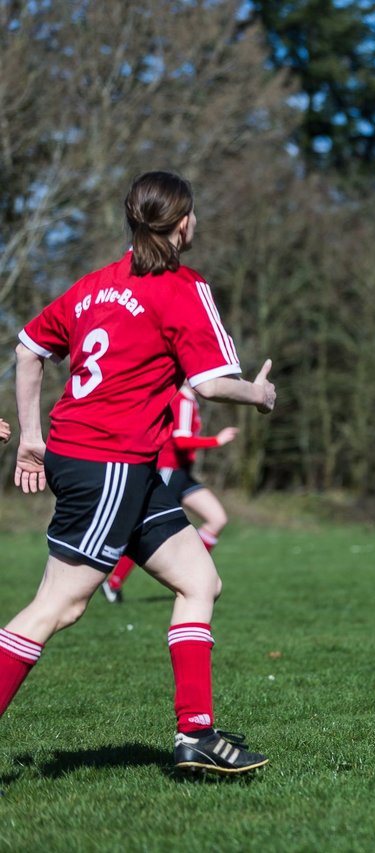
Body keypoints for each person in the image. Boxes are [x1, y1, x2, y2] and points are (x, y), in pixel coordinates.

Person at [1, 171, 276, 776]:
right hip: (108, 463)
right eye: (194, 216)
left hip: (122, 462)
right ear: (183, 223)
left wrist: (31, 439)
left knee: (199, 582)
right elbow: (207, 384)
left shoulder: (94, 287)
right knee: (57, 607)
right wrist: (255, 394)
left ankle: (194, 736)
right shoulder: (183, 287)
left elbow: (26, 350)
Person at [101, 383, 239, 604]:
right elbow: (181, 441)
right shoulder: (182, 400)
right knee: (147, 530)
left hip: (182, 474)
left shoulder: (189, 400)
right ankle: (113, 581)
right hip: (169, 471)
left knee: (217, 519)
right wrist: (216, 441)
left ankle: (194, 572)